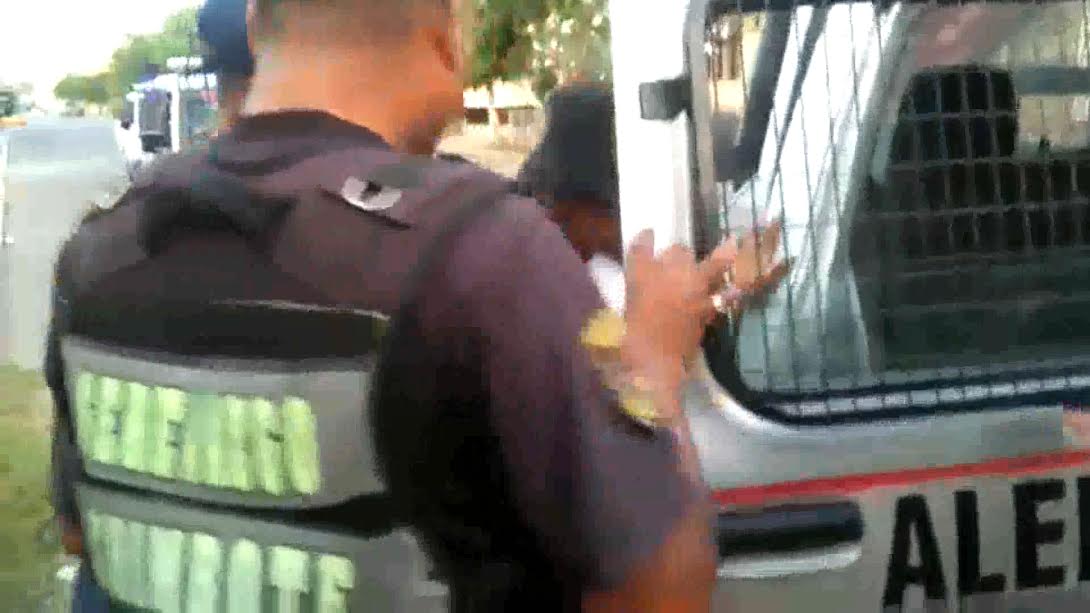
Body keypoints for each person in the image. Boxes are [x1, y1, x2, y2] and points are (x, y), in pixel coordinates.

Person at [45, 1, 784, 611]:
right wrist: (651, 361)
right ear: (445, 34)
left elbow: (83, 535)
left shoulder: (104, 248)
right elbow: (663, 591)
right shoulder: (483, 248)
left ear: (258, 25)